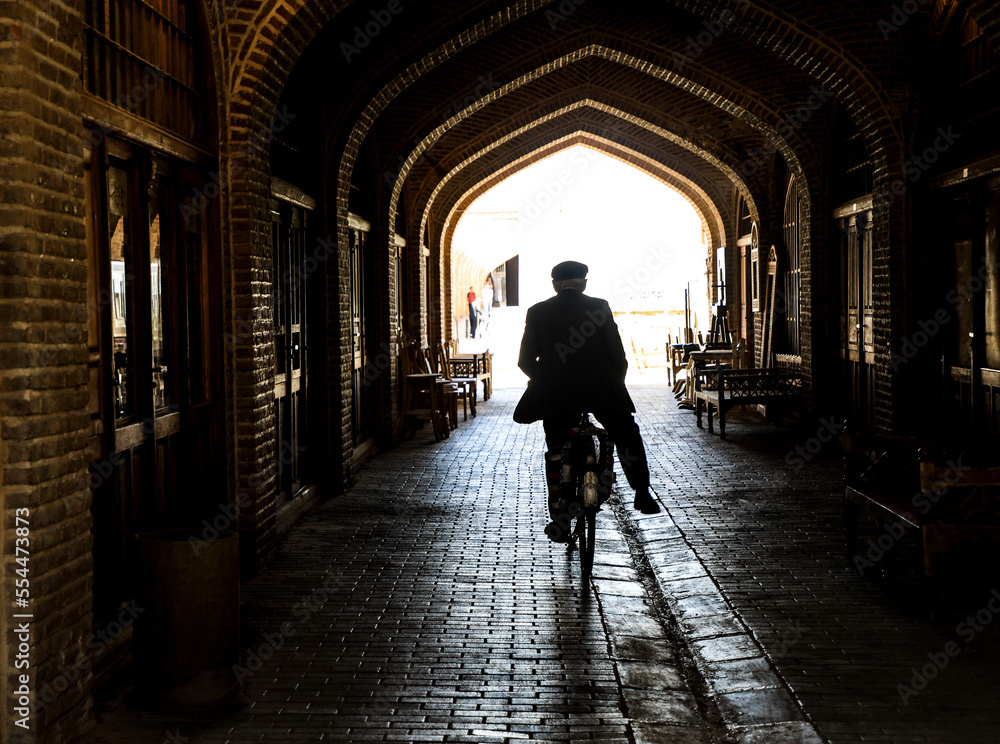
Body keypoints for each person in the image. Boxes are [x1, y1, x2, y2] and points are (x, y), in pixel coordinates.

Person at [513, 260, 660, 541]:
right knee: (626, 434)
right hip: (603, 389)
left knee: (557, 451)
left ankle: (561, 519)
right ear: (584, 283)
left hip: (556, 395)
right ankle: (642, 493)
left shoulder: (538, 311)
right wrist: (615, 381)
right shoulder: (599, 306)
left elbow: (524, 361)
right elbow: (617, 355)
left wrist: (546, 378)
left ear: (554, 285)